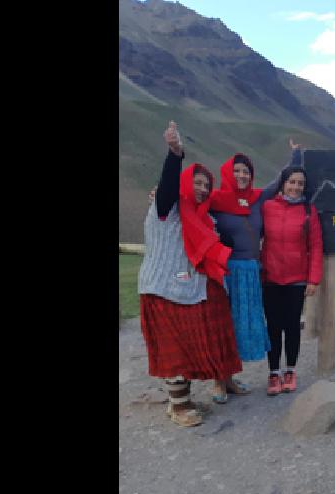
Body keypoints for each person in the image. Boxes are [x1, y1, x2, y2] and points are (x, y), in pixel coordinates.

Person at [137, 121, 243, 427]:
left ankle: (195, 394)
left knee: (201, 337)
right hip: (163, 289)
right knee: (175, 349)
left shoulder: (204, 218)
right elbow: (169, 184)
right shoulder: (165, 207)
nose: (203, 189)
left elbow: (226, 243)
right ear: (185, 183)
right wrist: (175, 154)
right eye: (197, 183)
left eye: (206, 185)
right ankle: (179, 406)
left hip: (190, 288)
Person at [205, 153, 271, 403]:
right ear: (227, 173)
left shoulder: (255, 200)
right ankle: (218, 383)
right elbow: (190, 204)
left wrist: (297, 156)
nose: (242, 175)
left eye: (246, 171)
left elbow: (279, 184)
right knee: (223, 323)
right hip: (226, 271)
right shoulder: (215, 199)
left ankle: (230, 379)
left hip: (250, 271)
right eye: (237, 171)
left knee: (239, 326)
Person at [260, 164, 323, 396]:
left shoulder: (308, 211)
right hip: (270, 277)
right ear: (283, 183)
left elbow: (315, 246)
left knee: (292, 327)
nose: (296, 187)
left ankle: (290, 371)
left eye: (300, 183)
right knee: (273, 328)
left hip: (297, 279)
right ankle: (274, 373)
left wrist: (313, 279)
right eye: (292, 182)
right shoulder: (267, 207)